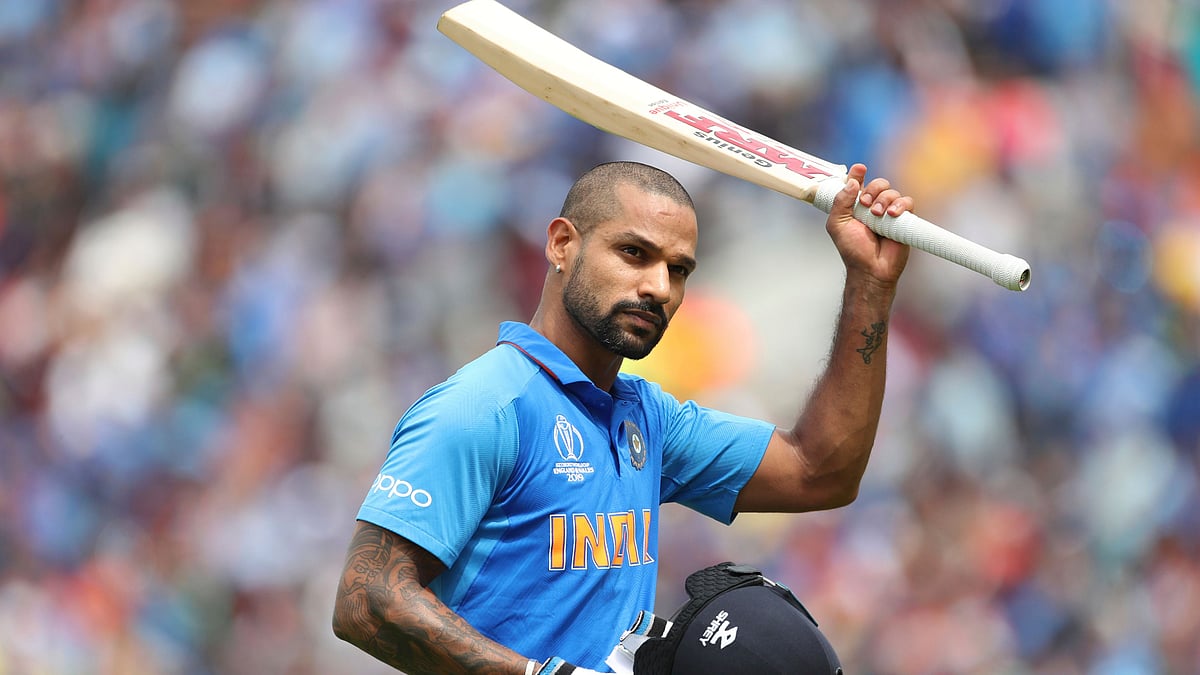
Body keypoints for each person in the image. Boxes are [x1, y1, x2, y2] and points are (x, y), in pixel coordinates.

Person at [332, 160, 912, 674]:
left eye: (679, 269)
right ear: (562, 244)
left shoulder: (647, 417)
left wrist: (870, 283)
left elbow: (820, 471)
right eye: (634, 253)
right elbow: (366, 601)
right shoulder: (482, 406)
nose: (659, 286)